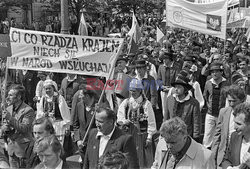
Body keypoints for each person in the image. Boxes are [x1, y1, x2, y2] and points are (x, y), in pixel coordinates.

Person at [117, 78, 157, 168]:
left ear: (140, 91)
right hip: (128, 136)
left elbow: (151, 122)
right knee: (129, 158)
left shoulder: (146, 104)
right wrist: (124, 121)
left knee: (143, 160)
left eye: (134, 91)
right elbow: (119, 117)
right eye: (131, 90)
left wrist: (149, 137)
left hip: (142, 136)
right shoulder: (126, 103)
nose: (132, 92)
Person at [212, 85, 246, 168]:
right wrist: (213, 156)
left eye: (234, 101)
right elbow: (217, 135)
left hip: (238, 157)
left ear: (242, 100)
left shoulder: (247, 115)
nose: (231, 104)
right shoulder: (223, 112)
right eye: (229, 101)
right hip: (222, 158)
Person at [1, 84, 36, 168]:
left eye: (10, 95)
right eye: (8, 95)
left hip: (23, 149)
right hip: (11, 148)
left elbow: (24, 128)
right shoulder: (8, 108)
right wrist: (4, 128)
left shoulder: (28, 110)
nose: (8, 97)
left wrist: (10, 118)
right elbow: (4, 125)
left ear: (19, 97)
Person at [164, 70, 201, 141]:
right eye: (175, 87)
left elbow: (196, 122)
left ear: (185, 89)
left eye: (179, 87)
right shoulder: (170, 99)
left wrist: (196, 138)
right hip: (172, 136)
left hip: (186, 137)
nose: (176, 89)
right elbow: (166, 118)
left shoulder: (193, 103)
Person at [203, 61, 229, 149]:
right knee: (208, 134)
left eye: (217, 71)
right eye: (212, 72)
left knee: (221, 134)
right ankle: (206, 152)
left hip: (222, 114)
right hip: (210, 113)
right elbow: (205, 96)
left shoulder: (226, 83)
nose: (214, 73)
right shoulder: (208, 83)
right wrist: (209, 106)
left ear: (221, 72)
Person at [36, 79, 70, 144]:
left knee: (57, 145)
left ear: (53, 88)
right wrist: (45, 114)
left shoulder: (59, 98)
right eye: (46, 89)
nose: (48, 90)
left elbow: (65, 113)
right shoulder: (43, 99)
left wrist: (67, 126)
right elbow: (39, 113)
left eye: (49, 88)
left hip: (58, 126)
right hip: (46, 126)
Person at [222, 102, 250, 168]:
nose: (234, 127)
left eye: (239, 124)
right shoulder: (234, 136)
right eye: (234, 122)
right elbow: (225, 160)